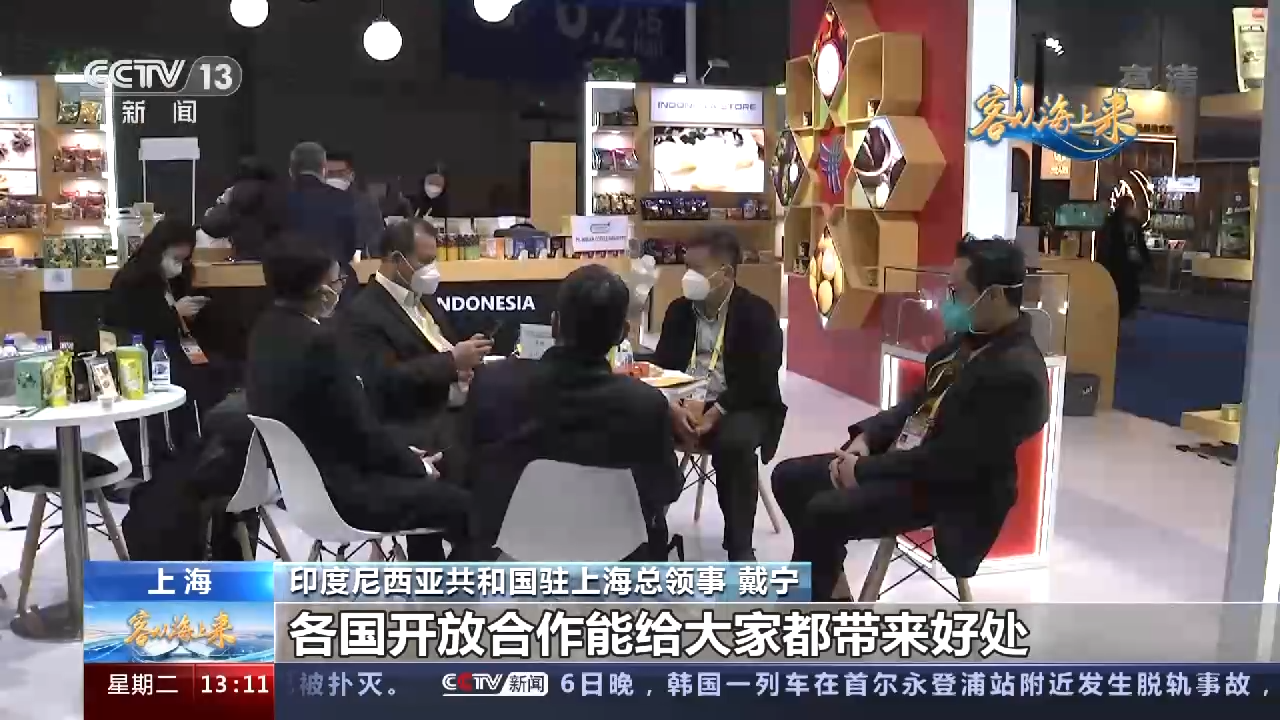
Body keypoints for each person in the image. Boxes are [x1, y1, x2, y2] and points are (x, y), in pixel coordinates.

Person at [770, 239, 1050, 601]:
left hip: (950, 488)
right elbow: (915, 406)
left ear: (994, 295)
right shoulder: (963, 344)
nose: (948, 301)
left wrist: (865, 471)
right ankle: (831, 593)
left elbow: (950, 460)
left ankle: (808, 607)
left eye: (957, 291)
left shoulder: (1017, 375)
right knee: (789, 478)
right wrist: (868, 438)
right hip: (906, 461)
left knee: (823, 511)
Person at [245, 240, 470, 560]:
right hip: (347, 493)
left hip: (305, 490)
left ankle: (428, 577)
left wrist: (404, 456)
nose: (341, 288)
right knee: (467, 506)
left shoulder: (265, 331)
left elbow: (345, 426)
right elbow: (359, 430)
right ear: (319, 289)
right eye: (337, 281)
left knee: (443, 478)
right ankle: (446, 587)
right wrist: (415, 465)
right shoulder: (320, 345)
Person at [460, 264, 682, 559]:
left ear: (554, 324)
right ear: (622, 334)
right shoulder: (646, 403)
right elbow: (666, 488)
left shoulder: (492, 384)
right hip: (616, 558)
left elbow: (466, 472)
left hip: (510, 556)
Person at [651, 232, 785, 561]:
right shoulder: (679, 311)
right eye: (686, 267)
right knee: (638, 424)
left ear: (725, 274)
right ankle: (650, 528)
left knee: (736, 442)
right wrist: (674, 406)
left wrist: (715, 411)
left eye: (696, 269)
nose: (688, 277)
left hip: (740, 403)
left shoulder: (758, 313)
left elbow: (760, 378)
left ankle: (740, 547)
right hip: (684, 402)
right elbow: (662, 366)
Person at [337, 219, 492, 470]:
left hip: (459, 406)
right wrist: (451, 362)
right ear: (395, 259)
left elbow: (441, 346)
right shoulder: (364, 313)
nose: (432, 270)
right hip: (419, 423)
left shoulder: (424, 299)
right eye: (424, 261)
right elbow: (383, 381)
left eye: (434, 260)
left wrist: (465, 358)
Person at [102, 219, 227, 478]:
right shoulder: (132, 280)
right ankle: (179, 451)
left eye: (184, 259)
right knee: (195, 378)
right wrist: (175, 313)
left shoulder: (174, 279)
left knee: (215, 370)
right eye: (175, 258)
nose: (179, 265)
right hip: (144, 354)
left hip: (175, 348)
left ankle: (200, 447)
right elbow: (133, 325)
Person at [284, 142, 359, 295]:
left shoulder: (277, 199)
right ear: (324, 169)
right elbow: (349, 246)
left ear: (291, 170)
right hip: (333, 284)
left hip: (289, 287)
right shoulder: (342, 199)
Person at [200, 157, 287, 260]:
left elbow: (211, 226)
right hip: (277, 258)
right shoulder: (279, 193)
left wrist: (221, 206)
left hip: (244, 257)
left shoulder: (235, 193)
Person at [324, 150, 385, 257]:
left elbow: (376, 245)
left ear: (351, 175)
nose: (334, 178)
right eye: (330, 174)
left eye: (340, 173)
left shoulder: (367, 205)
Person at [1098, 195, 1149, 319]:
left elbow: (1139, 243)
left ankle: (1121, 312)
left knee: (1125, 288)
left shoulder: (1125, 223)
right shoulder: (1119, 223)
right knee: (1124, 288)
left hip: (1123, 261)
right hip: (1121, 261)